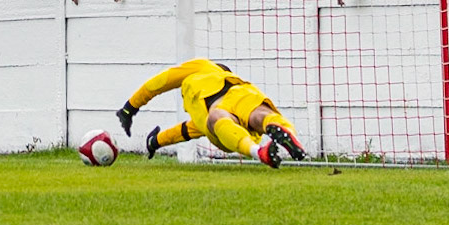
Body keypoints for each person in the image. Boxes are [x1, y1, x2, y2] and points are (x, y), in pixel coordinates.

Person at [115, 57, 307, 168]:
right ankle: (288, 132)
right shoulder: (231, 80)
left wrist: (129, 108)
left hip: (220, 114)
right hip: (242, 92)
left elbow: (160, 82)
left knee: (217, 118)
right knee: (259, 115)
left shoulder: (203, 68)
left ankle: (258, 152)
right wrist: (154, 142)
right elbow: (182, 131)